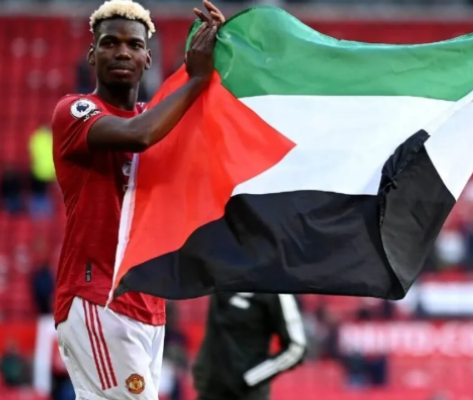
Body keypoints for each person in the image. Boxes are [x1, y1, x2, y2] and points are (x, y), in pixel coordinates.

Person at [50, 0, 226, 398]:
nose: (122, 52)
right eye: (110, 43)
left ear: (148, 58)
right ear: (92, 55)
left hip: (149, 302)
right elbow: (138, 136)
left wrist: (225, 48)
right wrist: (195, 79)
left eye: (133, 44)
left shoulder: (159, 115)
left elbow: (214, 124)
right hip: (97, 296)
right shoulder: (76, 110)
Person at [193, 293, 307, 400]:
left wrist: (252, 377)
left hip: (246, 394)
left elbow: (297, 347)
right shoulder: (222, 280)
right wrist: (202, 367)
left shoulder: (277, 291)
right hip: (210, 390)